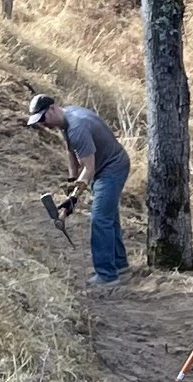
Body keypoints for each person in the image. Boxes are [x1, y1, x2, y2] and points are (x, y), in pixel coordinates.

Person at [26, 90, 131, 285]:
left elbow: (89, 168)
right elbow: (71, 153)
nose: (43, 123)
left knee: (100, 218)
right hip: (105, 166)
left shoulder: (77, 127)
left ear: (52, 108)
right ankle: (120, 263)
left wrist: (73, 200)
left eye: (43, 118)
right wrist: (72, 181)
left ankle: (107, 275)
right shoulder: (67, 119)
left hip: (112, 168)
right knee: (109, 215)